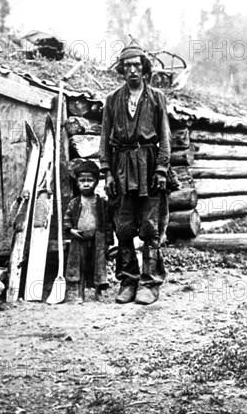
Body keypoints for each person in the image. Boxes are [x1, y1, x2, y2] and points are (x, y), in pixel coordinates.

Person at [99, 41, 171, 305]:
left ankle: (150, 283)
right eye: (127, 65)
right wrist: (106, 171)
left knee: (151, 228)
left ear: (144, 68)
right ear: (121, 69)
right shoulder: (112, 100)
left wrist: (162, 168)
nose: (132, 70)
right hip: (121, 167)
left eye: (136, 65)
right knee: (124, 227)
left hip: (150, 166)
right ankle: (128, 281)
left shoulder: (156, 98)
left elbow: (165, 136)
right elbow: (105, 138)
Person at [63, 160, 113, 303]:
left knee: (97, 265)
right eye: (82, 180)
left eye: (89, 180)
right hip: (79, 240)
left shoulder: (101, 202)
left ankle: (98, 293)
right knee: (81, 265)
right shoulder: (74, 203)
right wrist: (71, 230)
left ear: (96, 182)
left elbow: (108, 223)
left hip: (98, 240)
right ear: (77, 182)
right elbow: (67, 219)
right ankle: (80, 293)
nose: (86, 184)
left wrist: (108, 241)